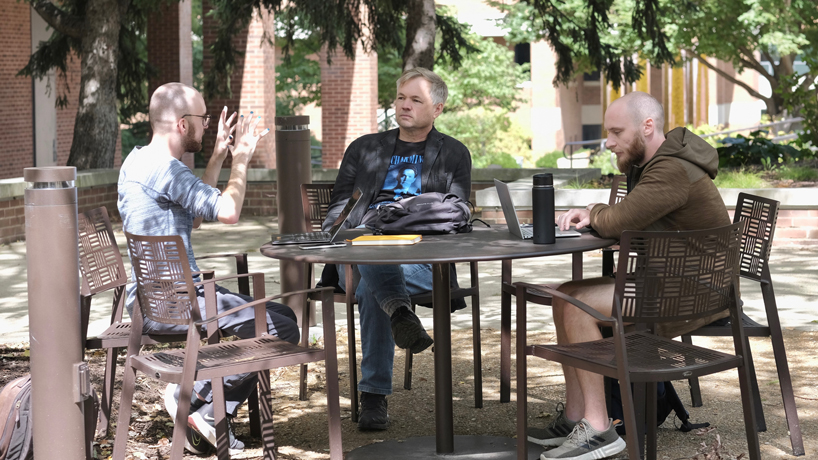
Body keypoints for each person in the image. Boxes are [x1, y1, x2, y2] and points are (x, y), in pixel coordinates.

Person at [529, 91, 731, 460]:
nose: (609, 142)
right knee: (566, 294)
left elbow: (619, 221)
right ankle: (576, 416)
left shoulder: (671, 169)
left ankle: (600, 428)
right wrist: (598, 211)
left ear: (648, 127)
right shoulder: (661, 163)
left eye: (617, 132)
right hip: (678, 283)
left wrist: (596, 210)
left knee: (577, 304)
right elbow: (628, 217)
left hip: (694, 293)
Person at [117, 82, 299, 455]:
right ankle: (201, 401)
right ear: (183, 125)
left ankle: (207, 405)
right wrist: (242, 157)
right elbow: (228, 212)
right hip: (180, 304)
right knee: (282, 325)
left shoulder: (138, 161)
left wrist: (217, 155)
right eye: (204, 118)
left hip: (149, 302)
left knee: (274, 315)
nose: (208, 124)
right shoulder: (168, 170)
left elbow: (196, 218)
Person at [321, 67, 471, 431]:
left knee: (375, 286)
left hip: (421, 262)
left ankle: (374, 396)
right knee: (371, 259)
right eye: (401, 98)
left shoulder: (452, 153)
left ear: (437, 108)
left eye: (415, 100)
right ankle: (400, 314)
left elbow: (460, 212)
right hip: (356, 259)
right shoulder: (364, 147)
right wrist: (344, 229)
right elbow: (338, 207)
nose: (404, 105)